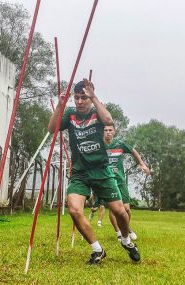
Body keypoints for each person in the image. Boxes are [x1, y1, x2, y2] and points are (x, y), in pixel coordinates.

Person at [48, 79, 140, 265]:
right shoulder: (70, 114)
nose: (80, 101)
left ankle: (126, 240)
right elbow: (52, 128)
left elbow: (108, 120)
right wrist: (60, 105)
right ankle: (97, 249)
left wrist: (94, 97)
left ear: (89, 98)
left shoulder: (96, 113)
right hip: (80, 172)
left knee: (121, 213)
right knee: (74, 210)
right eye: (77, 98)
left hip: (102, 171)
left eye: (84, 98)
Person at [103, 125, 151, 241]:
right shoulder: (99, 145)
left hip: (120, 180)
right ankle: (118, 233)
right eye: (105, 130)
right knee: (113, 209)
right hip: (107, 180)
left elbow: (133, 151)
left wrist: (141, 164)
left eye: (110, 130)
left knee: (126, 209)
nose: (108, 132)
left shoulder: (120, 144)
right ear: (102, 132)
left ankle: (127, 228)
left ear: (114, 131)